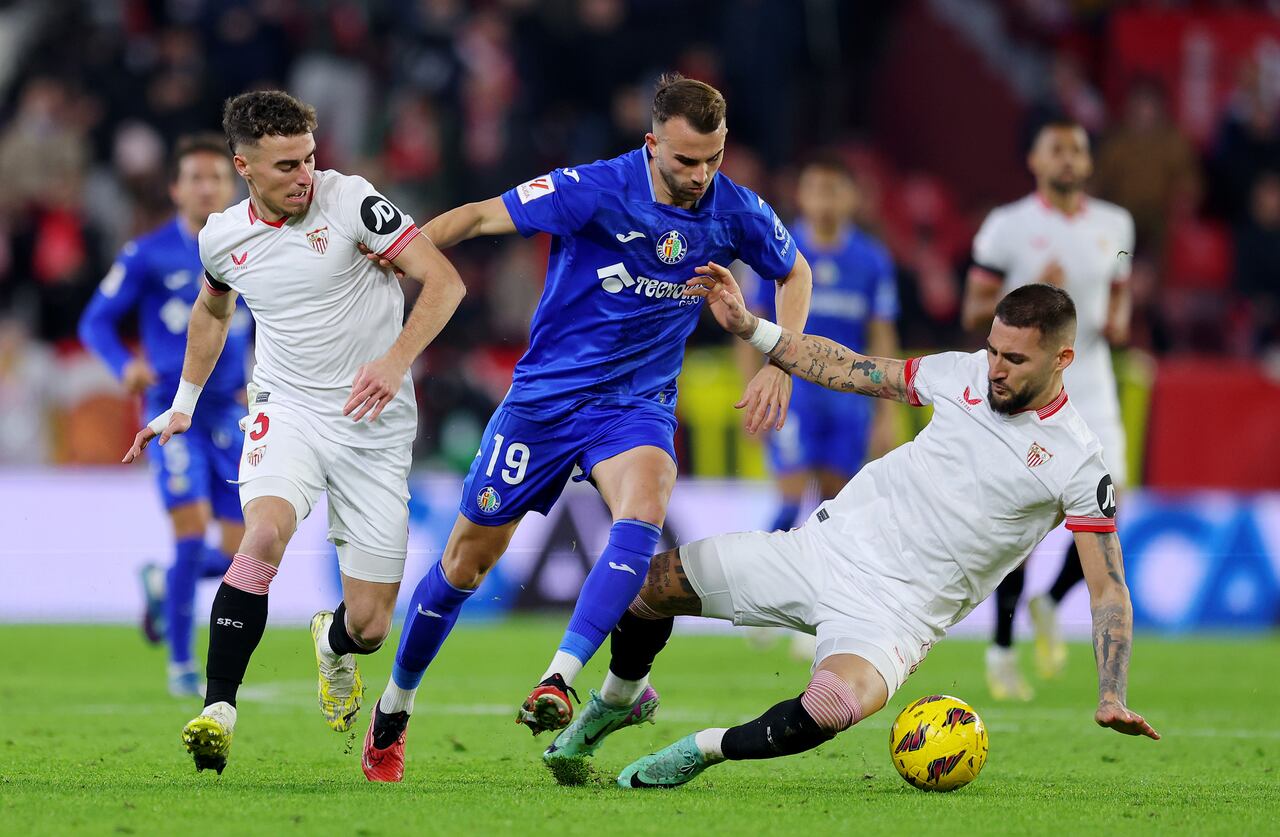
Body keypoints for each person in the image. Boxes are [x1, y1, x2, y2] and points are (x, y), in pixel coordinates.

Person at [360, 73, 813, 783]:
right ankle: (394, 709)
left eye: (714, 159)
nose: (701, 176)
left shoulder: (737, 209)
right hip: (542, 402)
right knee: (462, 568)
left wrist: (779, 355)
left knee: (647, 503)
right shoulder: (593, 188)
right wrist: (395, 261)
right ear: (651, 143)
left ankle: (560, 679)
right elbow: (479, 218)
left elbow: (794, 269)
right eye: (686, 160)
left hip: (634, 405)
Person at [544, 273, 1158, 788]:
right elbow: (855, 369)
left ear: (1063, 360)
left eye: (1015, 359)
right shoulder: (962, 373)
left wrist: (1110, 692)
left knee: (828, 708)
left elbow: (1107, 589)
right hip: (820, 550)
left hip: (897, 616)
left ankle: (702, 750)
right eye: (994, 349)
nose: (996, 369)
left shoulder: (1080, 462)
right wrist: (755, 330)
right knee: (647, 585)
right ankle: (620, 700)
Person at [122, 90, 466, 774]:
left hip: (373, 421)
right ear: (244, 166)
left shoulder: (352, 201)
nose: (304, 175)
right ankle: (218, 709)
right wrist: (185, 400)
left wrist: (395, 360)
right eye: (286, 166)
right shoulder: (221, 237)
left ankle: (333, 642)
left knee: (370, 626)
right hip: (289, 408)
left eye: (309, 158)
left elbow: (444, 282)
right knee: (264, 533)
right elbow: (211, 315)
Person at [962, 119, 1134, 700]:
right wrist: (1035, 289)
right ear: (1034, 159)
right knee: (1026, 524)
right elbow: (972, 312)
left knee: (1113, 507)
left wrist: (1121, 314)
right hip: (1033, 391)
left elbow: (1121, 280)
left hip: (1096, 387)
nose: (1068, 158)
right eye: (1056, 149)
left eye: (1078, 149)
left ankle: (1049, 602)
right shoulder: (1007, 227)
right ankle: (1003, 649)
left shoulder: (1118, 224)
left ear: (1088, 163)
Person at [80, 134, 249, 698]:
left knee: (239, 552)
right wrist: (123, 363)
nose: (208, 187)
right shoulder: (146, 254)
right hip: (170, 413)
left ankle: (162, 583)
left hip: (229, 413)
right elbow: (96, 322)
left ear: (233, 186)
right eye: (197, 177)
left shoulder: (253, 248)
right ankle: (181, 664)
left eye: (218, 178)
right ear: (176, 189)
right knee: (189, 534)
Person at [740, 155, 900, 532]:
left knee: (836, 503)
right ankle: (765, 583)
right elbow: (749, 329)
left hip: (849, 395)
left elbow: (881, 333)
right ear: (801, 196)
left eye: (833, 190)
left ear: (852, 198)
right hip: (794, 394)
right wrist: (750, 389)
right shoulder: (777, 249)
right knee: (790, 497)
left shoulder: (872, 260)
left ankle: (823, 588)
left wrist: (887, 412)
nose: (824, 201)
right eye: (815, 190)